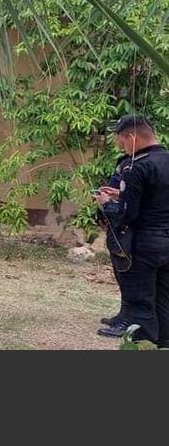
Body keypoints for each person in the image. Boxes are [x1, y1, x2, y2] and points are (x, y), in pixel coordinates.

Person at [94, 115, 169, 346]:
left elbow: (129, 213)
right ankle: (165, 340)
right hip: (166, 239)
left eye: (123, 143)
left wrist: (106, 203)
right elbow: (155, 196)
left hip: (144, 242)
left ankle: (144, 341)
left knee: (141, 300)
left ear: (132, 137)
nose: (123, 148)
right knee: (164, 298)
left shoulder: (138, 165)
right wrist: (122, 194)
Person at [95, 152, 133, 329]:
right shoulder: (123, 161)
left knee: (129, 273)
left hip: (128, 226)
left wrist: (114, 199)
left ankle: (130, 319)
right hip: (114, 222)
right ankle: (123, 313)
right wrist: (102, 211)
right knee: (120, 272)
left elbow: (134, 198)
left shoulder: (140, 164)